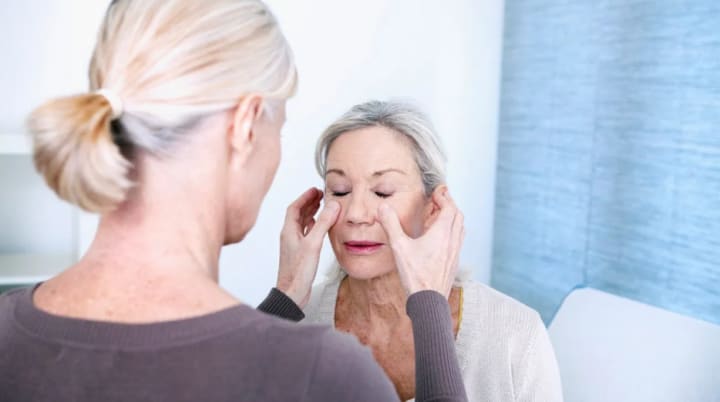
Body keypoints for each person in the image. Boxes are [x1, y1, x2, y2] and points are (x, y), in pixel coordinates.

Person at [0, 1, 466, 401]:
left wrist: (285, 298)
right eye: (278, 126)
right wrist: (429, 304)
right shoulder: (328, 375)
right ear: (245, 125)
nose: (358, 212)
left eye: (382, 191)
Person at [302, 100, 564, 401]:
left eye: (383, 191)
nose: (356, 214)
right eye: (340, 190)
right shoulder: (296, 320)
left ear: (433, 205)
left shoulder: (515, 336)